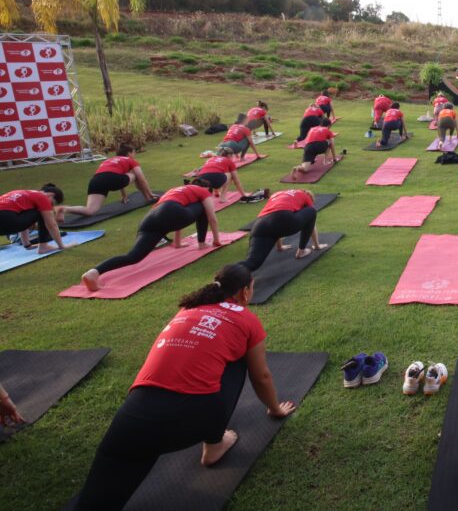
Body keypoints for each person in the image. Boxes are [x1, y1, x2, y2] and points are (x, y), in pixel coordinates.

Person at [71, 264, 297, 511]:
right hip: (194, 417)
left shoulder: (187, 309)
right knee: (240, 359)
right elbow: (261, 375)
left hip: (134, 415)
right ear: (245, 292)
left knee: (94, 502)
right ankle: (214, 445)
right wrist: (275, 409)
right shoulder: (245, 318)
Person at [80, 180, 222, 292]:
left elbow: (176, 216)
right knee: (202, 208)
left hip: (150, 219)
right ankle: (202, 243)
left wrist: (178, 243)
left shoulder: (175, 191)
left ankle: (94, 272)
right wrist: (216, 240)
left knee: (133, 257)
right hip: (170, 212)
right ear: (205, 188)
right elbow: (212, 218)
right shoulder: (201, 191)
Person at [239, 190, 328, 271]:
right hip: (283, 220)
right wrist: (317, 246)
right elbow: (311, 221)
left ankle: (229, 274)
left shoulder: (277, 194)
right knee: (311, 211)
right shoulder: (305, 196)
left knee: (252, 262)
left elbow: (276, 216)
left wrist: (280, 247)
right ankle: (301, 251)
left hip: (259, 225)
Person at [62, 145, 156, 218]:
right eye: (134, 153)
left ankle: (65, 209)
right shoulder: (130, 160)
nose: (134, 155)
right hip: (113, 178)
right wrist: (150, 193)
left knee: (90, 210)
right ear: (129, 153)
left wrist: (124, 196)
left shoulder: (110, 160)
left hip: (96, 180)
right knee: (135, 175)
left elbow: (117, 176)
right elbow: (142, 179)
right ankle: (147, 197)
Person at [0, 184, 66, 254]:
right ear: (51, 195)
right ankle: (44, 246)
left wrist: (27, 245)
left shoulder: (21, 194)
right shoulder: (42, 197)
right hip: (6, 219)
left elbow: (24, 219)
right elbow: (52, 225)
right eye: (52, 203)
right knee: (42, 213)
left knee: (28, 212)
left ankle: (29, 244)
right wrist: (61, 246)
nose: (50, 206)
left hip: (6, 219)